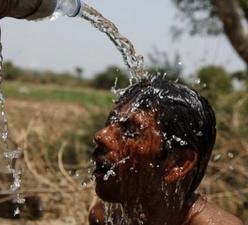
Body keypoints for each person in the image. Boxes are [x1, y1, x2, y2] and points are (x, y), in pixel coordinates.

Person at [89, 76, 242, 225]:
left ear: (178, 164)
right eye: (111, 123)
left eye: (131, 130)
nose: (101, 136)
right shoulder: (106, 219)